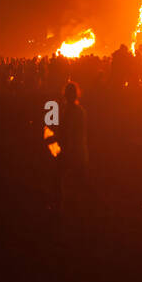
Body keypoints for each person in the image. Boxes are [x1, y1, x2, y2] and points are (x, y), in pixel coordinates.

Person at [46, 80, 89, 217]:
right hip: (80, 152)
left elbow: (66, 134)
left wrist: (60, 153)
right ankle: (78, 211)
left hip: (69, 152)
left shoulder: (68, 113)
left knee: (59, 180)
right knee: (78, 183)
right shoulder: (81, 111)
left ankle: (61, 210)